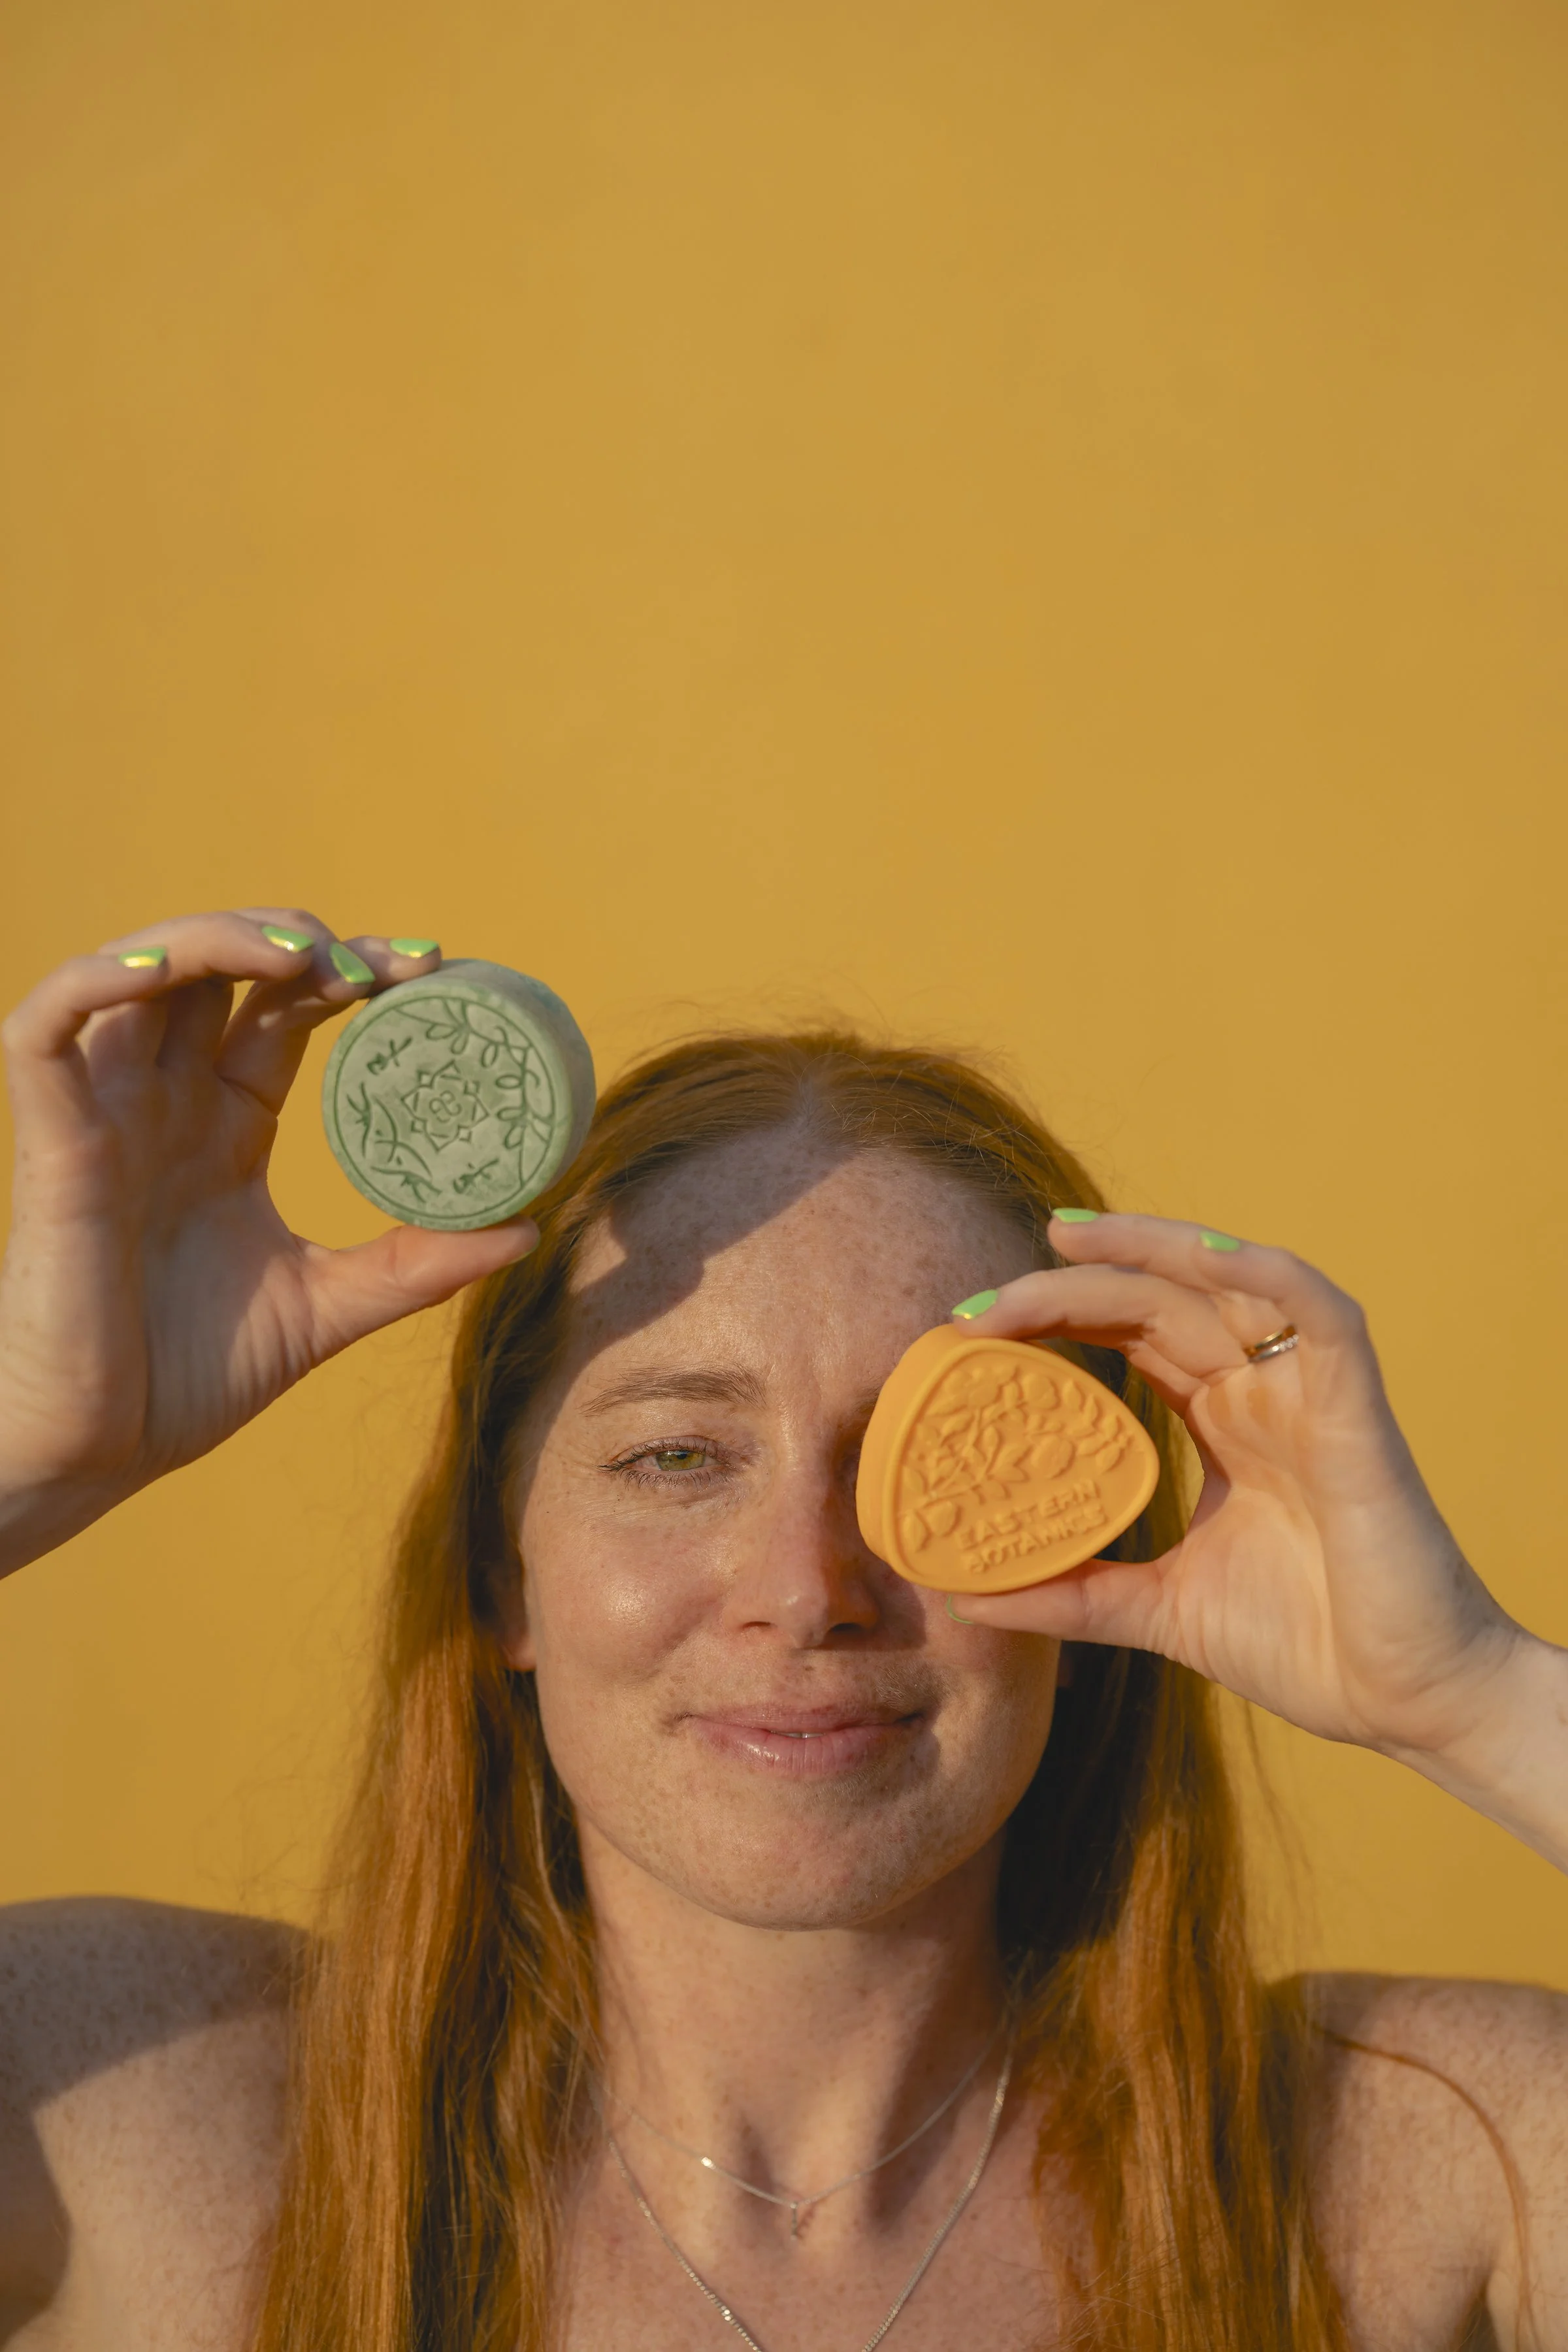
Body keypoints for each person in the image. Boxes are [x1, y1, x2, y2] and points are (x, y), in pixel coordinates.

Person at [0, 908, 1564, 2352]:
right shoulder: (141, 2113)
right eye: (677, 1456)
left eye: (927, 1464)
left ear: (1101, 1552)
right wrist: (29, 1451)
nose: (810, 1590)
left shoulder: (1433, 2163)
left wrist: (1472, 1696)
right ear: (500, 1573)